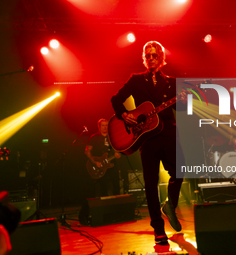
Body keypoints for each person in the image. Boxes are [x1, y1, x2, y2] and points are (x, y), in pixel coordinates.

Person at [111, 41, 187, 245]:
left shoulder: (172, 82)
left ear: (161, 58)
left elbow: (179, 110)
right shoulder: (136, 80)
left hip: (169, 133)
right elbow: (116, 99)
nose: (151, 58)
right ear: (145, 58)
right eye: (148, 55)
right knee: (151, 184)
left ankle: (170, 205)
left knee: (180, 171)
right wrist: (125, 114)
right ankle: (158, 228)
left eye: (155, 55)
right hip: (146, 137)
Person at [85, 119, 121, 197]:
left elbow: (118, 149)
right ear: (99, 126)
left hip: (112, 164)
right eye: (103, 125)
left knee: (116, 185)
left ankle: (117, 205)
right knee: (103, 187)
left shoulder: (112, 136)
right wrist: (94, 162)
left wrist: (117, 154)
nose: (105, 127)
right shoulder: (94, 137)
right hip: (100, 166)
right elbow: (87, 151)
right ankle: (105, 206)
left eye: (106, 125)